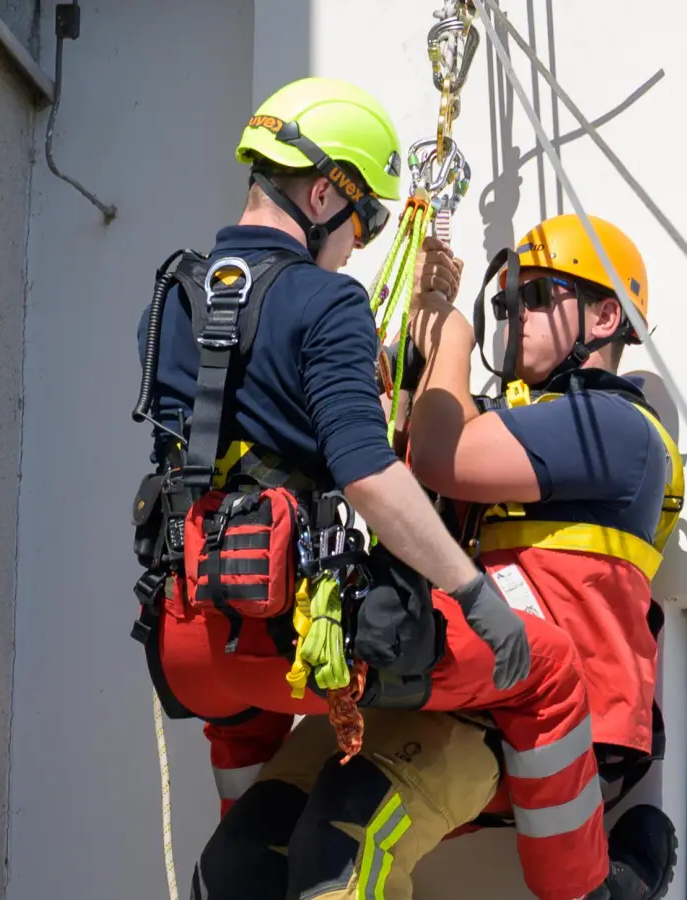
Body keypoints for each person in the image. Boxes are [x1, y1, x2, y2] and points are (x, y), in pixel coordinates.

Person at [125, 75, 613, 900]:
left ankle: (252, 865)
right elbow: (371, 476)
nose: (360, 243)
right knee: (551, 667)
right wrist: (478, 600)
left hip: (192, 644)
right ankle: (587, 892)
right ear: (322, 192)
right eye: (365, 218)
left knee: (253, 780)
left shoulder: (170, 298)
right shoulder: (328, 303)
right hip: (303, 639)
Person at [397, 212, 687, 900]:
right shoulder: (518, 421)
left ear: (604, 314)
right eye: (502, 305)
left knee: (344, 839)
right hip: (489, 692)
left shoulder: (614, 426)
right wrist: (421, 339)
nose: (512, 317)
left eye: (533, 297)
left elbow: (441, 456)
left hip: (550, 705)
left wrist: (452, 336)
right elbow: (403, 461)